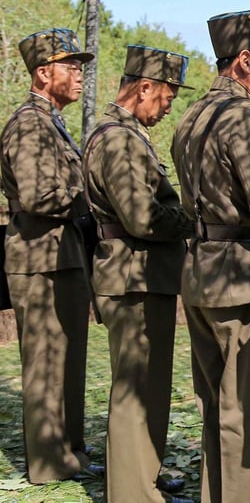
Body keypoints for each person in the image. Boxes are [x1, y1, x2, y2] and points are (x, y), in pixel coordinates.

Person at [170, 5, 250, 503]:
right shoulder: (246, 117)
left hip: (204, 275)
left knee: (221, 414)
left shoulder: (193, 115)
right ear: (244, 60)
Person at [83, 45, 194, 503]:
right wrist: (196, 218)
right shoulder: (119, 139)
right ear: (144, 87)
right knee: (136, 390)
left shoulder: (123, 134)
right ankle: (133, 493)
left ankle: (141, 474)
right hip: (134, 277)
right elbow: (144, 218)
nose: (168, 107)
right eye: (166, 97)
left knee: (148, 387)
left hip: (138, 275)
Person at [0, 28, 102, 483]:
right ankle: (47, 462)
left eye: (80, 67)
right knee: (45, 362)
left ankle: (70, 452)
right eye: (70, 66)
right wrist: (92, 194)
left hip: (61, 253)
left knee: (68, 359)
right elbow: (41, 196)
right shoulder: (29, 123)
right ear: (44, 73)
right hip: (39, 257)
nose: (79, 74)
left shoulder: (50, 121)